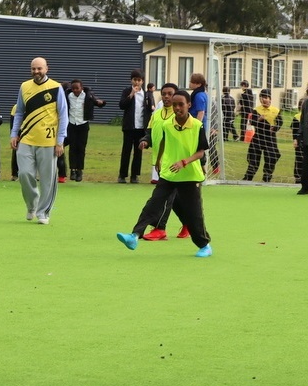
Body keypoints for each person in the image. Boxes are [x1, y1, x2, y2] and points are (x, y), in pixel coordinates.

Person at [117, 90, 212, 257]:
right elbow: (162, 143)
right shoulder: (167, 124)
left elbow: (201, 152)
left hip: (189, 175)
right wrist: (159, 161)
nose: (177, 108)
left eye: (180, 104)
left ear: (189, 105)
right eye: (175, 105)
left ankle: (204, 245)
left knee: (193, 214)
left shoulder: (197, 125)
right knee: (153, 203)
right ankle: (134, 236)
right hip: (169, 174)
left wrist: (184, 162)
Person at [10, 57, 68, 225]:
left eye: (39, 69)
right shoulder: (24, 86)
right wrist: (14, 134)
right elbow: (19, 112)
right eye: (33, 69)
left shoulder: (56, 88)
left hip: (49, 141)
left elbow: (63, 115)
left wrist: (60, 141)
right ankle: (32, 205)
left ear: (46, 69)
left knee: (47, 180)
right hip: (27, 138)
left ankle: (43, 212)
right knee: (24, 174)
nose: (36, 72)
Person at [65, 79, 106, 182]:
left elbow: (97, 102)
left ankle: (79, 170)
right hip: (72, 124)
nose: (75, 90)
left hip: (83, 124)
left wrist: (101, 103)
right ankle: (73, 170)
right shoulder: (68, 96)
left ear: (81, 88)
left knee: (81, 148)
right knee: (72, 148)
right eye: (73, 88)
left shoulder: (88, 96)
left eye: (77, 88)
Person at [118, 69, 153, 183]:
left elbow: (149, 109)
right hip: (129, 127)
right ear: (131, 80)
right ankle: (122, 175)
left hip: (141, 127)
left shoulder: (146, 94)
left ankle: (135, 175)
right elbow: (122, 105)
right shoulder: (126, 91)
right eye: (135, 80)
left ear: (142, 81)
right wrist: (131, 94)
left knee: (138, 152)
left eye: (139, 80)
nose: (137, 83)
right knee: (126, 151)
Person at [242, 88, 283, 182]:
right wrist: (258, 120)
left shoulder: (276, 111)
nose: (264, 99)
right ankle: (248, 178)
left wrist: (275, 128)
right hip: (258, 137)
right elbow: (251, 122)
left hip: (270, 138)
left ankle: (267, 177)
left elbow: (280, 123)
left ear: (270, 99)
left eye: (266, 97)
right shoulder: (256, 110)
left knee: (271, 157)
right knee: (253, 158)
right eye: (262, 97)